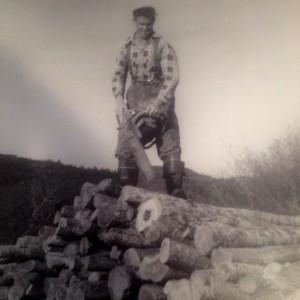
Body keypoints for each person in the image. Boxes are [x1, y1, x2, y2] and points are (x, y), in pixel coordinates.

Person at [112, 6, 186, 198]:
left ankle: (175, 193)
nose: (146, 28)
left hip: (159, 99)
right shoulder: (126, 47)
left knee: (169, 144)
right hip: (134, 100)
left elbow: (172, 77)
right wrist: (119, 99)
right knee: (127, 145)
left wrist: (159, 102)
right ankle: (126, 194)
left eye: (149, 24)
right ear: (135, 22)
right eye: (142, 24)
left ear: (154, 22)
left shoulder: (161, 45)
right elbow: (118, 75)